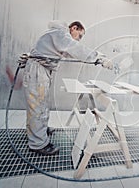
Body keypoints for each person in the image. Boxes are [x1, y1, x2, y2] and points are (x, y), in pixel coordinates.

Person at [23, 20, 113, 155]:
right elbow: (76, 48)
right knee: (37, 106)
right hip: (37, 71)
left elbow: (74, 51)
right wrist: (99, 59)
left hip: (41, 70)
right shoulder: (61, 34)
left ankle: (40, 131)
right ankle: (38, 144)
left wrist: (98, 57)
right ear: (74, 28)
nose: (79, 39)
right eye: (80, 35)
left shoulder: (59, 37)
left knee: (42, 104)